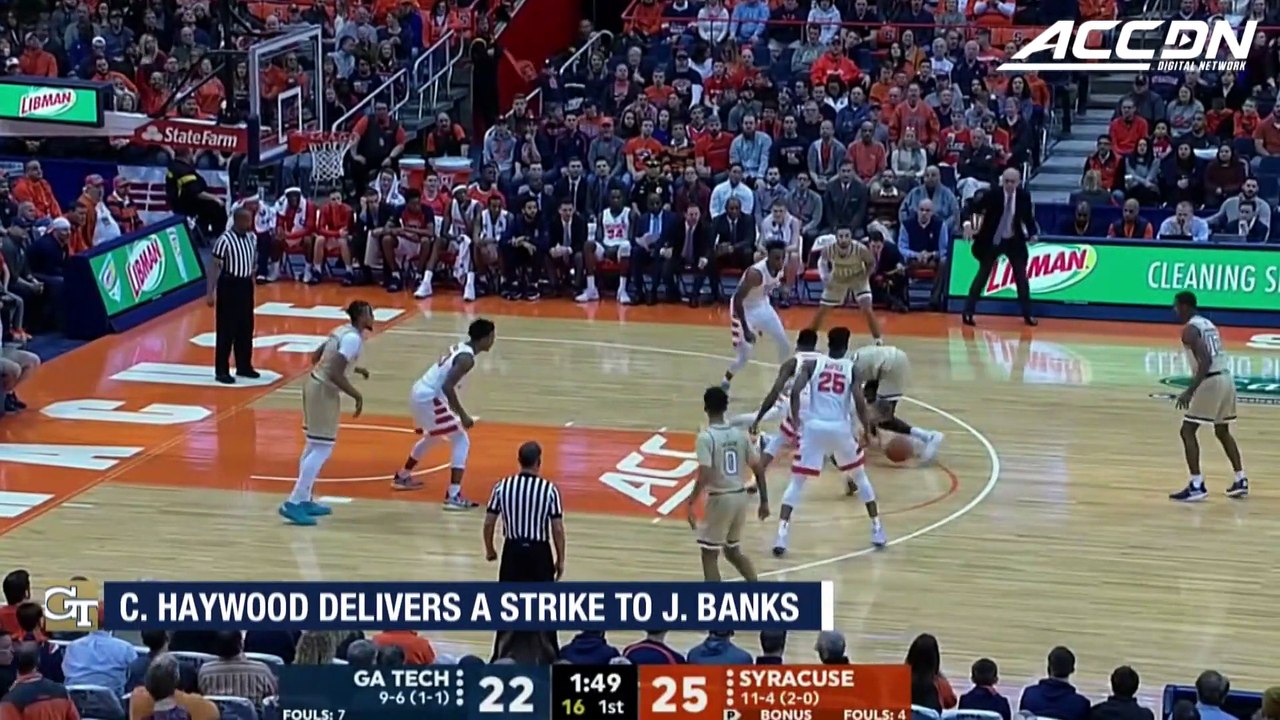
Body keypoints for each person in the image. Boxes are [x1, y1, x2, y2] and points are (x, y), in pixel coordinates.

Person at [280, 301, 375, 526]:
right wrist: (356, 395)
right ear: (362, 316)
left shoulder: (341, 331)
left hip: (314, 384)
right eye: (371, 313)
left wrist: (353, 368)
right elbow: (333, 371)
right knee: (323, 447)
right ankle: (293, 501)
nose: (374, 317)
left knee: (314, 445)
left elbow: (318, 358)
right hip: (323, 390)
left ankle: (304, 499)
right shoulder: (352, 339)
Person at [790, 327, 885, 548]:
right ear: (847, 344)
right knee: (861, 477)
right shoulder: (852, 368)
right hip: (840, 428)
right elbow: (860, 403)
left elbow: (795, 392)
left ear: (828, 342)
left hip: (814, 425)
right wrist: (868, 429)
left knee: (797, 482)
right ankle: (877, 527)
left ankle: (782, 534)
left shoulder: (814, 364)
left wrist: (796, 420)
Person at [393, 318, 497, 508]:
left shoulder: (460, 347)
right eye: (492, 336)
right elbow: (448, 387)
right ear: (485, 338)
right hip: (428, 397)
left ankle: (402, 476)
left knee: (434, 437)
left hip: (421, 391)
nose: (493, 340)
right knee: (461, 439)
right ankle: (453, 495)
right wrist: (463, 415)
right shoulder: (467, 359)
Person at [484, 441, 565, 664]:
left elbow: (489, 522)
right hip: (539, 552)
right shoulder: (549, 490)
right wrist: (560, 560)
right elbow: (557, 528)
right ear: (539, 462)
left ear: (519, 461)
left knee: (508, 604)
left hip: (513, 551)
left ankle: (500, 653)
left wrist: (490, 549)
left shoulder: (502, 486)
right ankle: (550, 657)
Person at [1170, 291, 1248, 501]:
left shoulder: (1190, 330)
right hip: (1226, 379)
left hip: (1211, 380)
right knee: (1222, 431)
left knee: (1187, 430)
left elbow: (1204, 361)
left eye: (1176, 306)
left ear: (1185, 306)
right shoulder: (1207, 323)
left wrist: (1190, 390)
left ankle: (1197, 485)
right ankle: (1240, 478)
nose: (1174, 310)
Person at [686, 386, 768, 582]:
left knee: (709, 554)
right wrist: (764, 501)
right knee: (732, 551)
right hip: (740, 497)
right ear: (726, 408)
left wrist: (690, 502)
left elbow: (705, 474)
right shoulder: (740, 434)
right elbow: (758, 468)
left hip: (721, 498)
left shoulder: (706, 437)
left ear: (705, 408)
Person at [961, 168, 1039, 327]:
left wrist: (1033, 234)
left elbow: (1028, 219)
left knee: (1021, 278)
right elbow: (970, 207)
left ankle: (1028, 314)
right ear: (1002, 180)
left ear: (1018, 182)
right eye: (1006, 181)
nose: (1009, 185)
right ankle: (968, 312)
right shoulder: (992, 194)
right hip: (991, 240)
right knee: (982, 275)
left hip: (1013, 239)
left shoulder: (1024, 196)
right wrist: (968, 224)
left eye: (1013, 182)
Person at [853, 344, 944, 463]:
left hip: (891, 367)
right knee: (871, 402)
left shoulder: (848, 371)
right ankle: (873, 436)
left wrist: (865, 429)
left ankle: (928, 436)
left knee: (883, 418)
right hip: (884, 363)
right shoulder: (848, 361)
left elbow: (857, 402)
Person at [721, 241, 790, 391]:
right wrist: (746, 329)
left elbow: (781, 279)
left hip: (762, 305)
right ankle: (727, 377)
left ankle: (785, 381)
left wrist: (784, 287)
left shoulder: (781, 266)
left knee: (784, 343)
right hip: (743, 309)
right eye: (776, 258)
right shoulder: (756, 274)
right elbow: (738, 299)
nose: (779, 261)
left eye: (781, 258)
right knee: (745, 355)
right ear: (768, 258)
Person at [207, 207, 259, 384]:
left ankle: (244, 365)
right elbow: (214, 266)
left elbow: (251, 262)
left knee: (246, 327)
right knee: (227, 329)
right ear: (237, 221)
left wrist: (252, 282)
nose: (250, 223)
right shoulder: (225, 240)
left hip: (245, 285)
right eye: (246, 220)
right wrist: (210, 292)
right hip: (229, 285)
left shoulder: (252, 238)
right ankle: (221, 370)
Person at [809, 227, 881, 342]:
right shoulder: (828, 249)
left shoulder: (860, 249)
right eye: (841, 236)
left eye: (847, 236)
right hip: (838, 278)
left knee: (867, 308)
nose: (844, 239)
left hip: (857, 277)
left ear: (851, 237)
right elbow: (822, 262)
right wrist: (825, 277)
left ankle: (878, 340)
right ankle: (809, 338)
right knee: (822, 310)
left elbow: (871, 262)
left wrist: (866, 275)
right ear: (836, 237)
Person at [577, 188, 633, 304]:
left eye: (619, 197)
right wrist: (607, 248)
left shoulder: (630, 213)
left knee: (626, 245)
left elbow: (631, 237)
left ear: (623, 199)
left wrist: (615, 248)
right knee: (588, 245)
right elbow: (599, 236)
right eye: (613, 198)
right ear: (608, 199)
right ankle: (591, 288)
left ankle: (622, 290)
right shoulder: (603, 214)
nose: (616, 200)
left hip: (621, 249)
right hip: (606, 247)